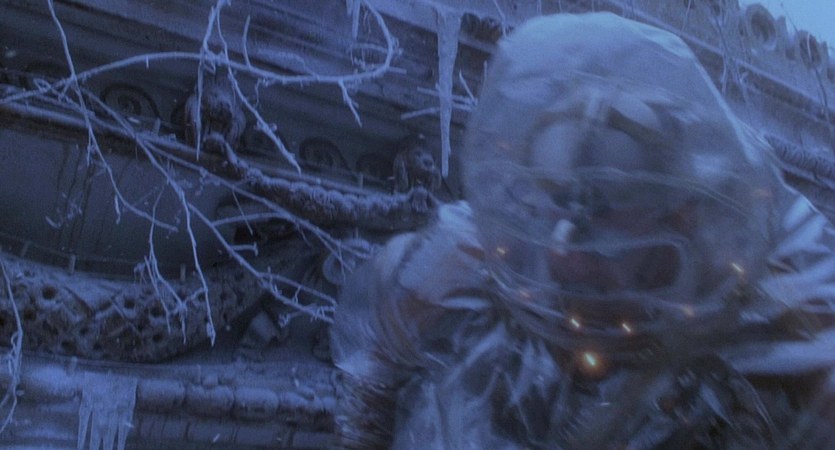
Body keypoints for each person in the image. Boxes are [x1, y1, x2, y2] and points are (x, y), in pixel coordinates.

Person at [331, 12, 835, 449]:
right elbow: (376, 338)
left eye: (606, 214)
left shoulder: (775, 304)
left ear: (679, 213)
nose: (567, 249)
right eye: (560, 200)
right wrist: (364, 433)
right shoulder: (471, 256)